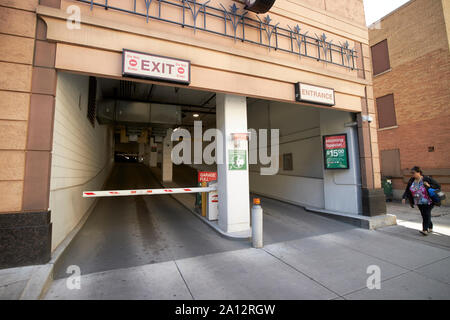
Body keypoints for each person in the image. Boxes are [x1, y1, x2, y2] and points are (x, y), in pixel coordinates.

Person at [402, 166, 441, 236]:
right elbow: (407, 190)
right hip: (418, 201)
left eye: (413, 173)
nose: (412, 174)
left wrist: (429, 185)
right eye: (411, 173)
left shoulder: (426, 179)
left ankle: (425, 230)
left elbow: (437, 185)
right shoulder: (411, 180)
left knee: (426, 213)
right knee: (424, 215)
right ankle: (430, 226)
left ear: (419, 172)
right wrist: (404, 197)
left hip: (429, 200)